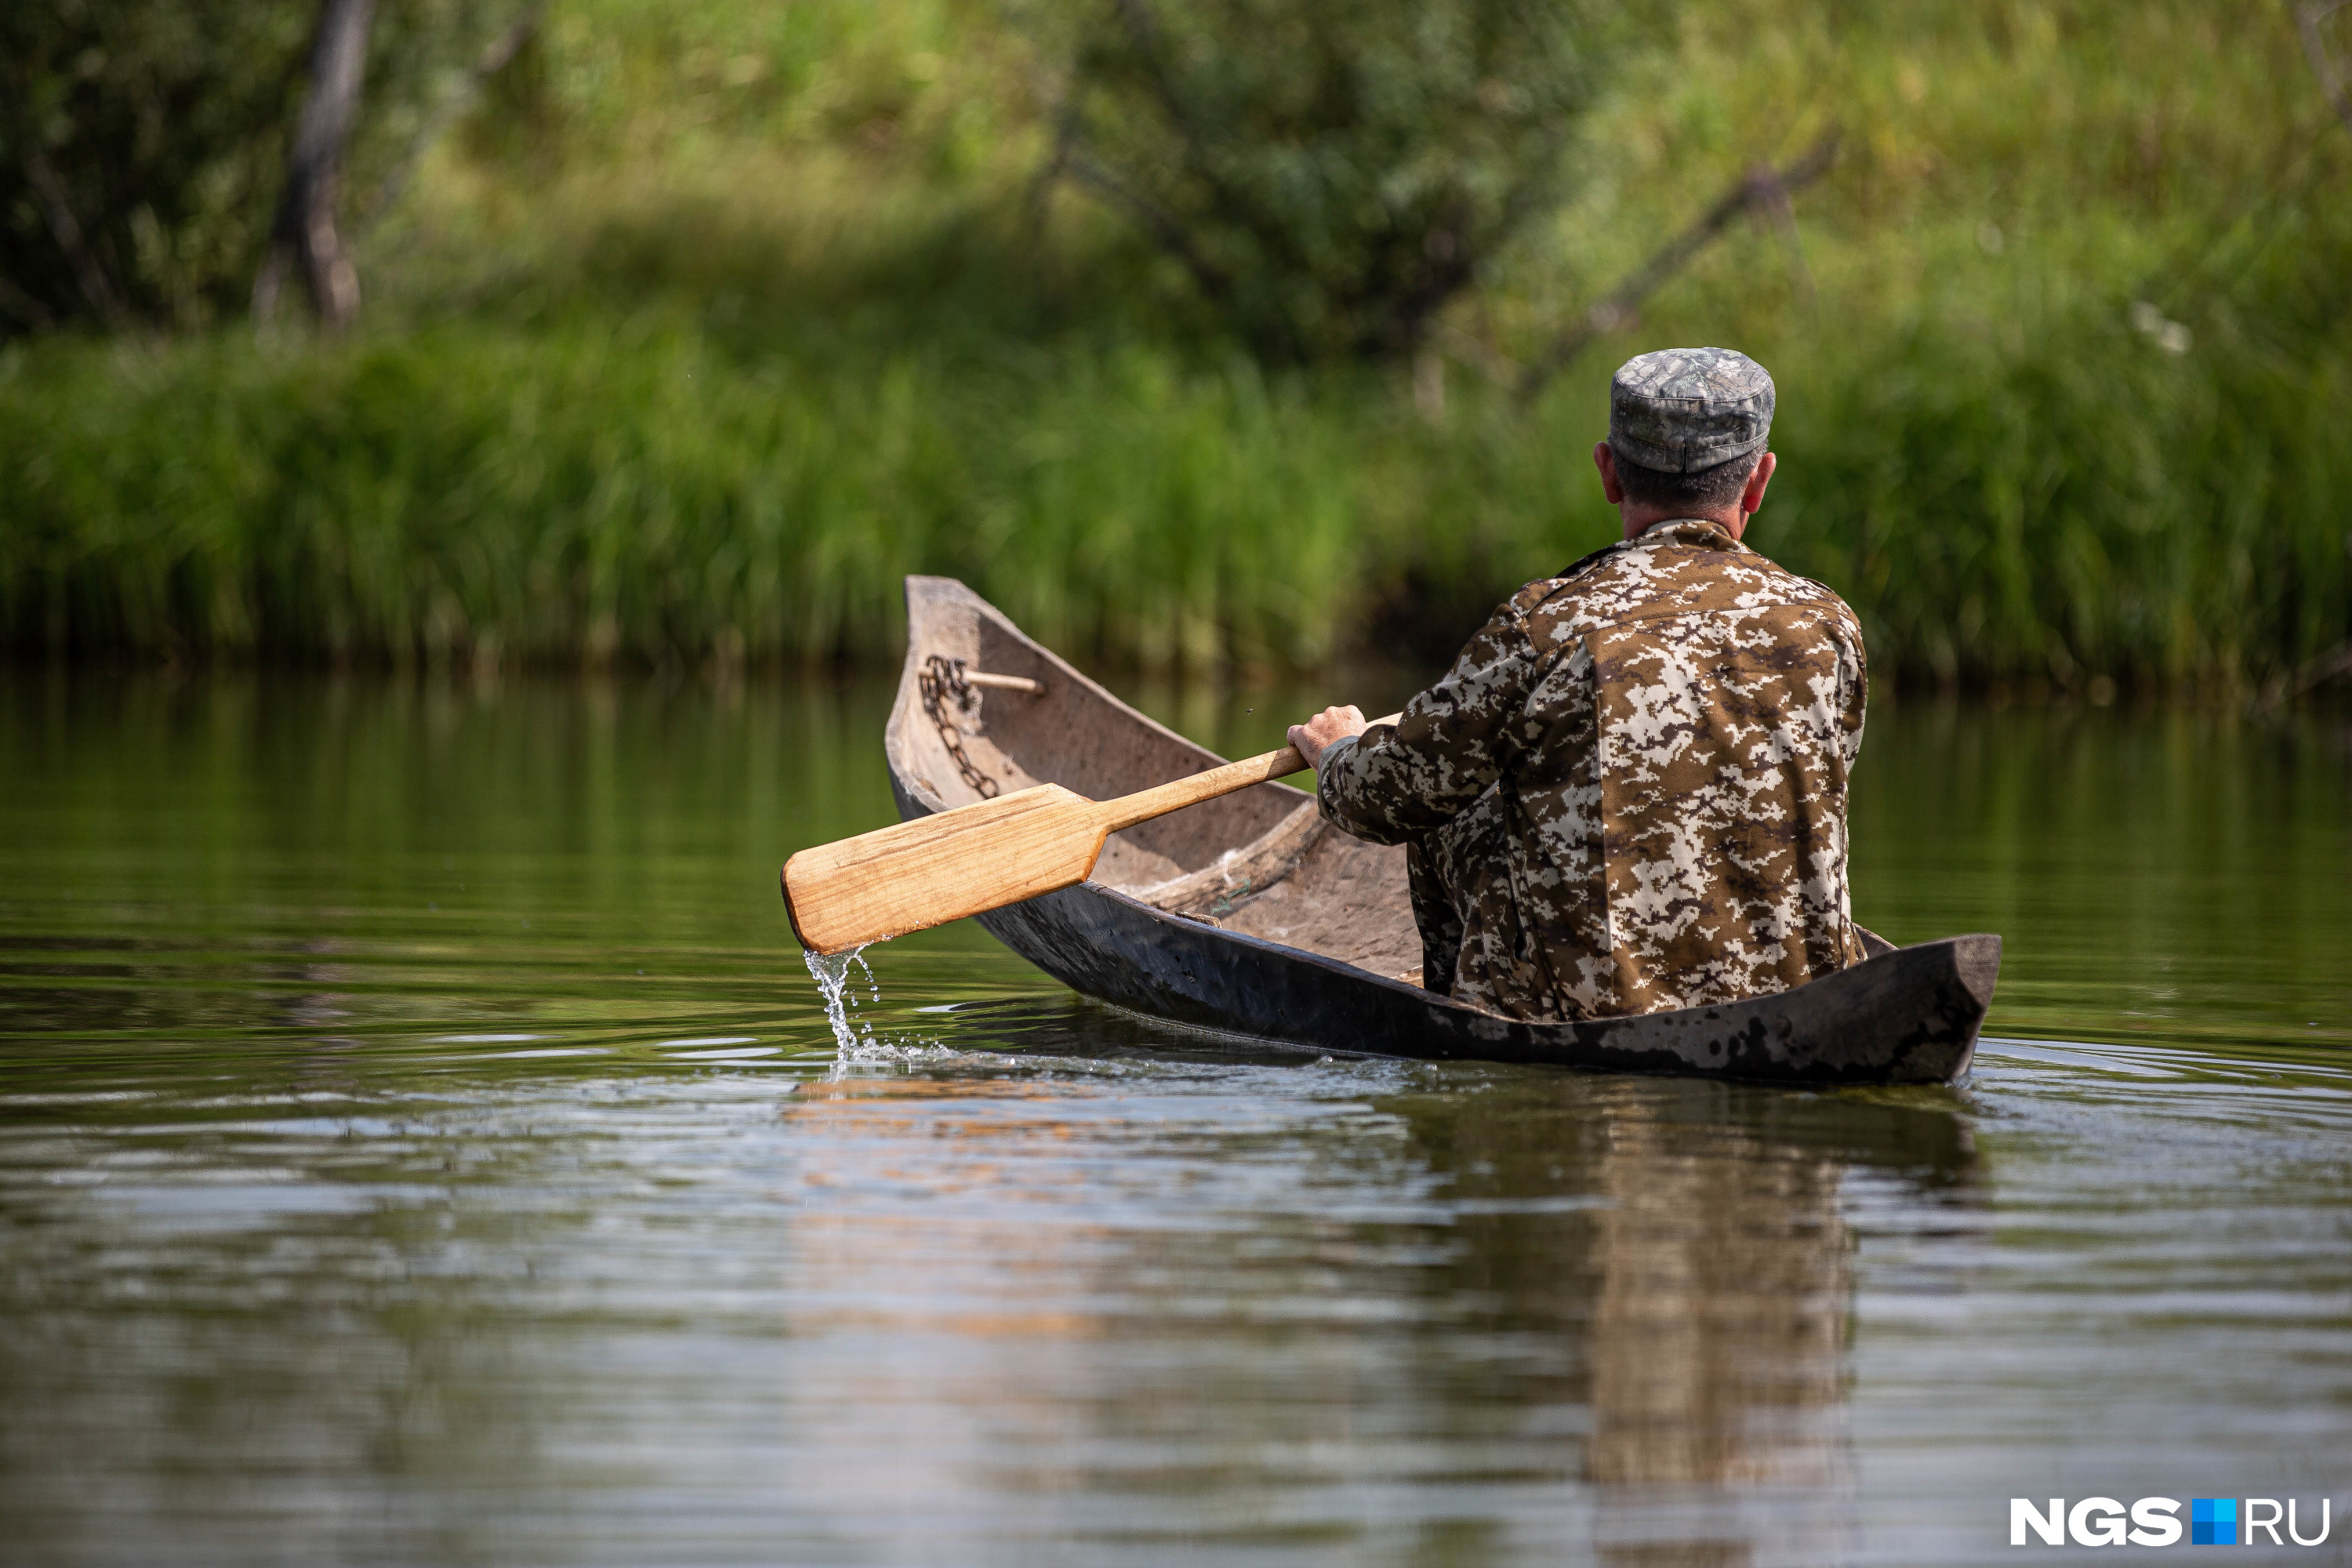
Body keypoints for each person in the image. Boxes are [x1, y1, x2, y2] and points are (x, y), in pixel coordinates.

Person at [1289, 347, 1868, 1021]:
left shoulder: (1544, 625)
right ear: (1759, 481)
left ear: (1608, 473)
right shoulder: (1829, 627)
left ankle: (1463, 1020)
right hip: (1799, 1003)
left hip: (1588, 1012)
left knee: (1455, 815)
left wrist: (1338, 754)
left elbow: (1386, 799)